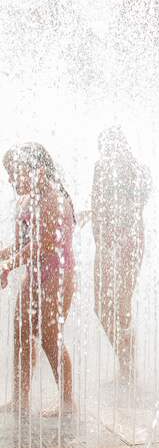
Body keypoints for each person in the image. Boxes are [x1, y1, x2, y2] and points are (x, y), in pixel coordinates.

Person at [0, 143, 77, 415]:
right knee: (21, 331)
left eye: (15, 172)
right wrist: (4, 259)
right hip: (35, 276)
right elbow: (23, 243)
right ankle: (20, 399)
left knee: (49, 336)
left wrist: (8, 263)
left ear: (38, 171)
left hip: (58, 274)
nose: (10, 179)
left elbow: (41, 245)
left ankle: (68, 403)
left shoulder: (54, 198)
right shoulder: (27, 200)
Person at [90, 127, 151, 381]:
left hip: (130, 241)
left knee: (123, 303)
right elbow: (96, 204)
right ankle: (124, 359)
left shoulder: (139, 170)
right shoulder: (100, 169)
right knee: (101, 307)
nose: (110, 152)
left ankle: (128, 367)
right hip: (106, 242)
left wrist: (122, 236)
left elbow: (138, 205)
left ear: (124, 145)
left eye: (114, 146)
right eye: (105, 148)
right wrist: (101, 242)